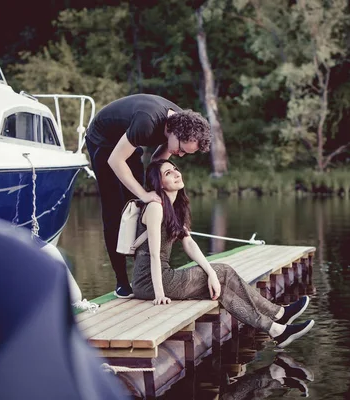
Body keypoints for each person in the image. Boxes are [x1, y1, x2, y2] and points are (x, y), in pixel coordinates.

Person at [131, 159, 315, 348]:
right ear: (159, 182)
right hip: (151, 282)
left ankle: (277, 329)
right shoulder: (155, 207)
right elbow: (153, 255)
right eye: (168, 173)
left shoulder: (174, 207)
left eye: (175, 169)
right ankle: (278, 314)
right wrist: (159, 294)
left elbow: (189, 244)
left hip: (163, 276)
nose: (177, 173)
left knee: (221, 290)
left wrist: (210, 272)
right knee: (224, 271)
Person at [85, 94, 211, 299]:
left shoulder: (182, 122)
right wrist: (144, 193)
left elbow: (156, 163)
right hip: (103, 142)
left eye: (185, 153)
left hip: (129, 141)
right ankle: (122, 281)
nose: (179, 155)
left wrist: (159, 201)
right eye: (180, 149)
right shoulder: (147, 122)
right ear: (173, 132)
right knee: (115, 210)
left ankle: (143, 274)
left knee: (140, 207)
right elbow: (115, 160)